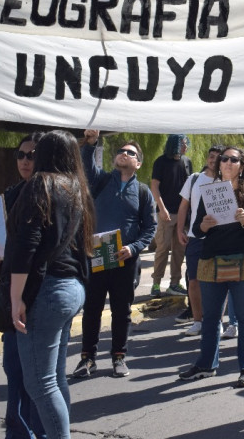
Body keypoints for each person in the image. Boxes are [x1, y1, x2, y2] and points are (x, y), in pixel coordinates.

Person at [6, 130, 93, 438]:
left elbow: (26, 246)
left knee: (40, 385)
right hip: (71, 288)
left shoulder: (40, 184)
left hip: (47, 289)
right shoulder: (76, 188)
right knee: (54, 378)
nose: (29, 158)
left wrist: (16, 298)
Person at [178, 146, 244, 387]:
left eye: (233, 159)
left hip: (243, 261)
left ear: (242, 165)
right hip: (212, 260)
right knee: (210, 318)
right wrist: (204, 226)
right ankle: (206, 365)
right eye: (223, 159)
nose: (227, 163)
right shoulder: (209, 192)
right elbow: (196, 228)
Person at [74, 130, 157, 378]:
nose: (123, 154)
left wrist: (133, 248)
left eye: (130, 153)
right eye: (121, 151)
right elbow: (86, 167)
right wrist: (90, 143)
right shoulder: (101, 181)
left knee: (122, 311)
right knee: (92, 309)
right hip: (97, 257)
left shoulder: (142, 192)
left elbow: (150, 228)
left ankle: (119, 357)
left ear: (138, 163)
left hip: (125, 260)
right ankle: (87, 358)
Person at [0, 132, 48, 439]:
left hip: (41, 295)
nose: (25, 160)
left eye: (32, 154)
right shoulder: (9, 195)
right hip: (13, 294)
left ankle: (41, 431)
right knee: (14, 370)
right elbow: (5, 244)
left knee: (38, 378)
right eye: (21, 155)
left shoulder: (53, 194)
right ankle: (18, 433)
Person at [176, 146, 224, 337]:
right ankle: (197, 321)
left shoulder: (226, 180)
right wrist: (180, 229)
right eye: (211, 156)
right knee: (193, 280)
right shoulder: (194, 178)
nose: (214, 160)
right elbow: (183, 206)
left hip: (219, 237)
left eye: (218, 158)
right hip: (196, 238)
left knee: (219, 281)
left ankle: (218, 322)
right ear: (207, 158)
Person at [150, 135, 192, 298]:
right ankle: (156, 284)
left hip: (183, 213)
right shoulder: (160, 162)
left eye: (186, 143)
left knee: (179, 250)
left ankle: (175, 283)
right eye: (183, 144)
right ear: (174, 144)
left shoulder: (187, 161)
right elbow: (154, 186)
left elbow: (189, 187)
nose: (186, 146)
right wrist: (162, 209)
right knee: (162, 248)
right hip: (166, 213)